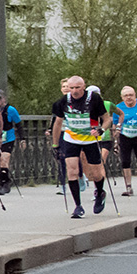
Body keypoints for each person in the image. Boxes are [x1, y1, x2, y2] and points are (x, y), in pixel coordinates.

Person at [49, 74, 110, 219]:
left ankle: (100, 192)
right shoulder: (63, 101)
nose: (74, 91)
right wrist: (55, 144)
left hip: (90, 139)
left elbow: (107, 119)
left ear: (83, 86)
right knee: (72, 170)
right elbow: (57, 123)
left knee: (95, 173)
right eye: (71, 88)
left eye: (77, 88)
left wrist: (101, 130)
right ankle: (77, 206)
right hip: (71, 139)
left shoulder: (94, 99)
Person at [112, 86, 137, 195]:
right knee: (125, 161)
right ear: (122, 97)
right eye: (126, 96)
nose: (129, 97)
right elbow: (115, 123)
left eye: (131, 95)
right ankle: (128, 186)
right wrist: (115, 135)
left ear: (135, 95)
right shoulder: (118, 107)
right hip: (125, 136)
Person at [0, 90, 22, 193]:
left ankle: (3, 184)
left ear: (4, 99)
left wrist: (23, 139)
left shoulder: (10, 110)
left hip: (8, 138)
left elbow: (18, 124)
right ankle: (5, 179)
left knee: (4, 159)